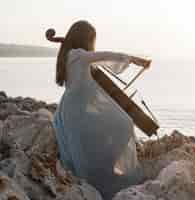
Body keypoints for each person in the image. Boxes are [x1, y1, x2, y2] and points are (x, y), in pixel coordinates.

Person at [51, 20, 151, 199]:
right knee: (125, 124)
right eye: (91, 39)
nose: (92, 44)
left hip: (72, 108)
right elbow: (109, 55)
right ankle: (106, 171)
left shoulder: (69, 54)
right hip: (77, 110)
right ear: (85, 39)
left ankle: (103, 168)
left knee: (109, 130)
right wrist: (138, 60)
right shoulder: (79, 55)